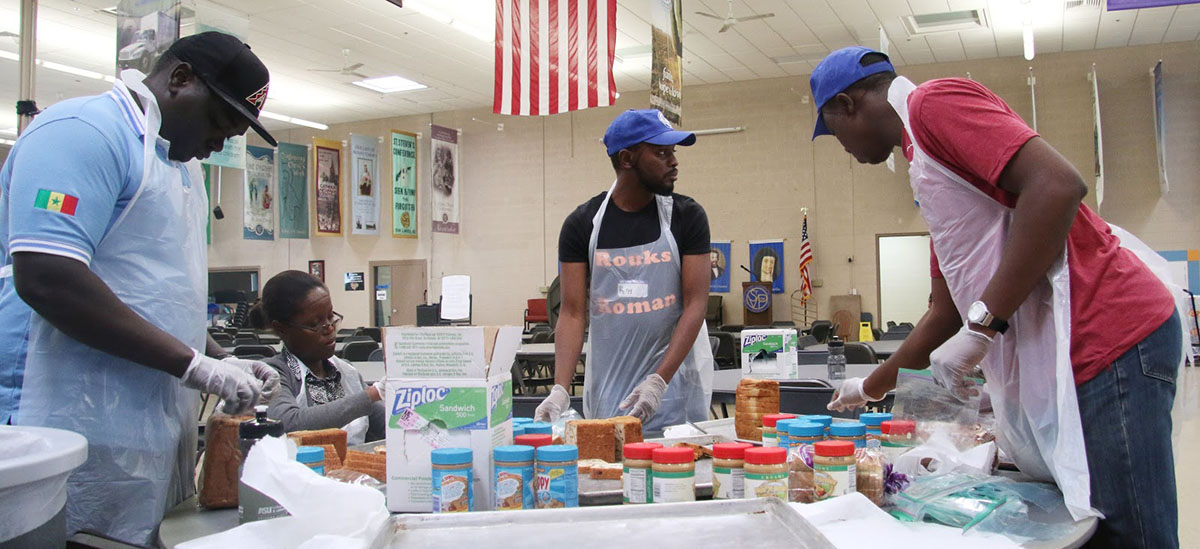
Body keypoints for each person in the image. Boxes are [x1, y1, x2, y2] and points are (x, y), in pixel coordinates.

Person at [813, 46, 1186, 547]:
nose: (843, 148)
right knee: (1089, 517)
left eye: (834, 131)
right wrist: (869, 387)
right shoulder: (930, 175)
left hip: (1106, 331)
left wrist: (983, 327)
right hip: (1071, 350)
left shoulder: (933, 105)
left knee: (1126, 530)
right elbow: (944, 313)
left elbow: (1057, 185)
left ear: (847, 104)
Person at [0, 32, 281, 545]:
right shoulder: (82, 133)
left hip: (148, 420)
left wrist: (220, 357)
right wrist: (192, 365)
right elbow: (48, 278)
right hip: (54, 413)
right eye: (218, 123)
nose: (219, 144)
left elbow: (158, 295)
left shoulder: (180, 169)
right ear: (179, 79)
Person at [534, 109, 714, 432]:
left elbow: (695, 305)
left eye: (673, 152)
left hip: (674, 401)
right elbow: (572, 314)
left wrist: (658, 382)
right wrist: (560, 388)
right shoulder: (582, 225)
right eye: (662, 153)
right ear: (628, 158)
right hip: (608, 402)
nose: (674, 162)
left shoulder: (686, 217)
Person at [250, 271, 386, 444]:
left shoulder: (345, 373)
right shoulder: (272, 374)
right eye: (315, 324)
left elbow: (386, 425)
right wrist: (373, 393)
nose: (329, 328)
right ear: (282, 329)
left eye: (331, 317)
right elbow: (289, 424)